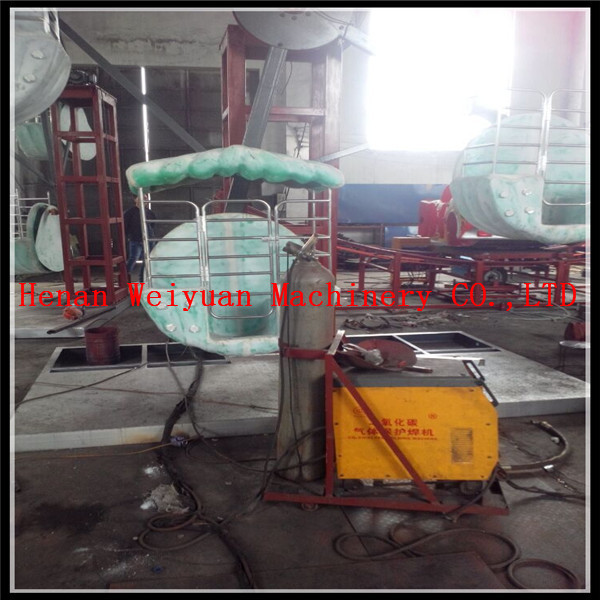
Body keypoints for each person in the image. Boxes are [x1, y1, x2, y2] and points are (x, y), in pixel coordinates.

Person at [123, 194, 156, 282]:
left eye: (145, 198)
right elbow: (125, 226)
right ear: (135, 200)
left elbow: (152, 225)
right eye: (141, 197)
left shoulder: (149, 212)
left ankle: (142, 279)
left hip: (148, 240)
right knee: (133, 258)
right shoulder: (129, 213)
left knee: (147, 261)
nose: (144, 200)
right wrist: (129, 236)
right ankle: (124, 278)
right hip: (135, 239)